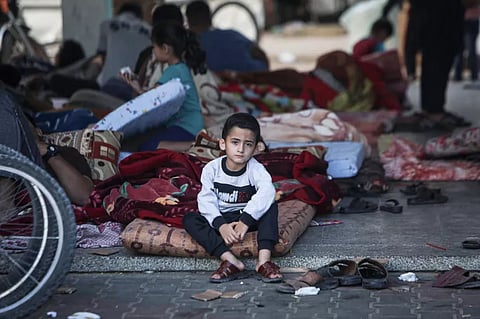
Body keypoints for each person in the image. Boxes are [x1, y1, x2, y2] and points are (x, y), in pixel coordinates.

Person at [183, 113, 283, 284]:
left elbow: (266, 192)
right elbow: (206, 200)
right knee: (190, 219)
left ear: (257, 148)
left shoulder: (256, 169)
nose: (241, 149)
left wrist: (245, 221)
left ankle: (264, 261)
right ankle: (229, 260)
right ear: (223, 143)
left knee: (271, 206)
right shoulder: (211, 169)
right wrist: (221, 226)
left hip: (248, 217)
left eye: (248, 144)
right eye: (235, 142)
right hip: (223, 218)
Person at [0, 84, 94, 206]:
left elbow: (84, 196)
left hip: (38, 201)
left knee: (3, 99)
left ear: (38, 131)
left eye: (20, 125)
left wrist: (50, 153)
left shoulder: (63, 153)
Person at [123, 22, 206, 151]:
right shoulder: (181, 68)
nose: (153, 51)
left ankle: (194, 146)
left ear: (165, 49)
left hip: (186, 127)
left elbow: (152, 98)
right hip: (191, 125)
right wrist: (137, 86)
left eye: (154, 47)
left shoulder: (173, 71)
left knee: (147, 148)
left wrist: (135, 87)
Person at [409, 0, 470, 129]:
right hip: (439, 30)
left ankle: (433, 109)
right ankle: (435, 111)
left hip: (435, 30)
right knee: (437, 71)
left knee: (434, 70)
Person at [185, 0, 269, 72]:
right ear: (210, 19)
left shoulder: (188, 46)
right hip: (251, 78)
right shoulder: (232, 34)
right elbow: (260, 54)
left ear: (188, 22)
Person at [453, 0, 480, 82]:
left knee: (470, 49)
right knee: (459, 50)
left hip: (471, 19)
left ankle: (473, 75)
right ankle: (458, 75)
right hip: (460, 19)